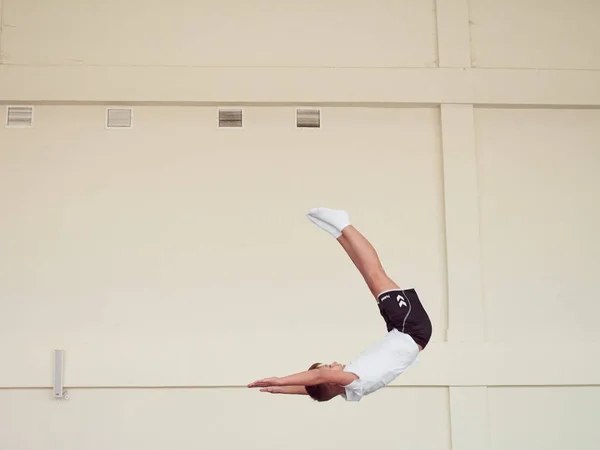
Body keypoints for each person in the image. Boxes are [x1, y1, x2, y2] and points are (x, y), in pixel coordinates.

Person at [248, 207, 432, 402]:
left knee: (369, 275)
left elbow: (315, 387)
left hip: (404, 332)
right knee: (374, 273)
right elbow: (320, 378)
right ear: (333, 381)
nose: (334, 363)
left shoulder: (351, 391)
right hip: (411, 327)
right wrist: (279, 381)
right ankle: (344, 224)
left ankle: (339, 232)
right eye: (330, 367)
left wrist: (280, 389)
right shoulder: (354, 381)